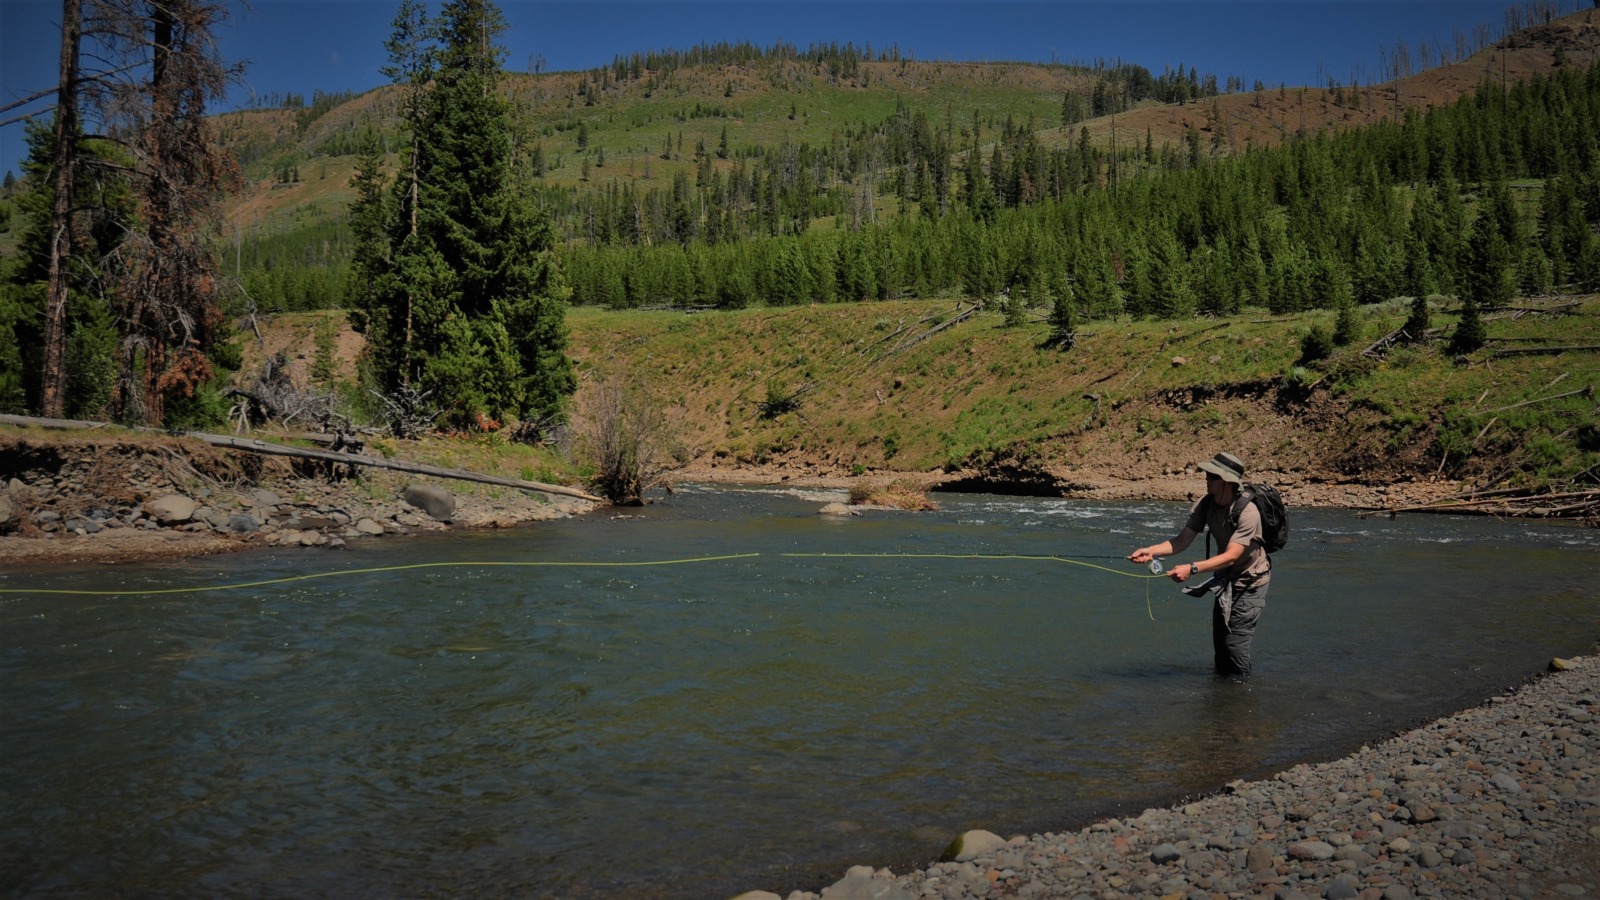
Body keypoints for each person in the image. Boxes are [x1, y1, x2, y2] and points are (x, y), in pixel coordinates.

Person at [1128, 451, 1271, 680]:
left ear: (1227, 481)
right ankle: (1221, 701)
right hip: (1224, 579)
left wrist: (1192, 568)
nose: (1207, 479)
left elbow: (1232, 555)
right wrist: (1151, 550)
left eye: (1212, 476)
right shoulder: (1206, 504)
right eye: (1207, 474)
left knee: (1235, 648)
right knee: (1221, 649)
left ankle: (1241, 697)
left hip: (1250, 582)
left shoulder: (1248, 512)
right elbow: (1182, 540)